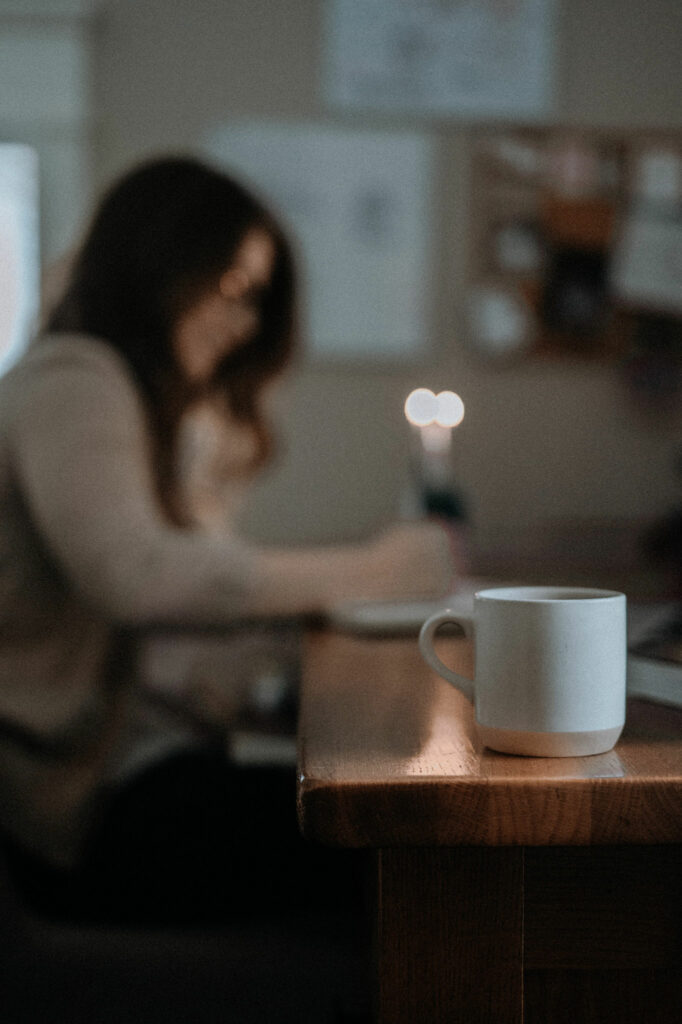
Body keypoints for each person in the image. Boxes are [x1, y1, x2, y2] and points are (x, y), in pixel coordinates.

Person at [0, 154, 460, 928]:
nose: (245, 320)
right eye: (236, 288)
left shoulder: (124, 396)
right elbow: (139, 575)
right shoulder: (75, 379)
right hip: (71, 811)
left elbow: (166, 600)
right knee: (414, 858)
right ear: (163, 264)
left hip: (111, 772)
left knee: (394, 833)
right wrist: (375, 571)